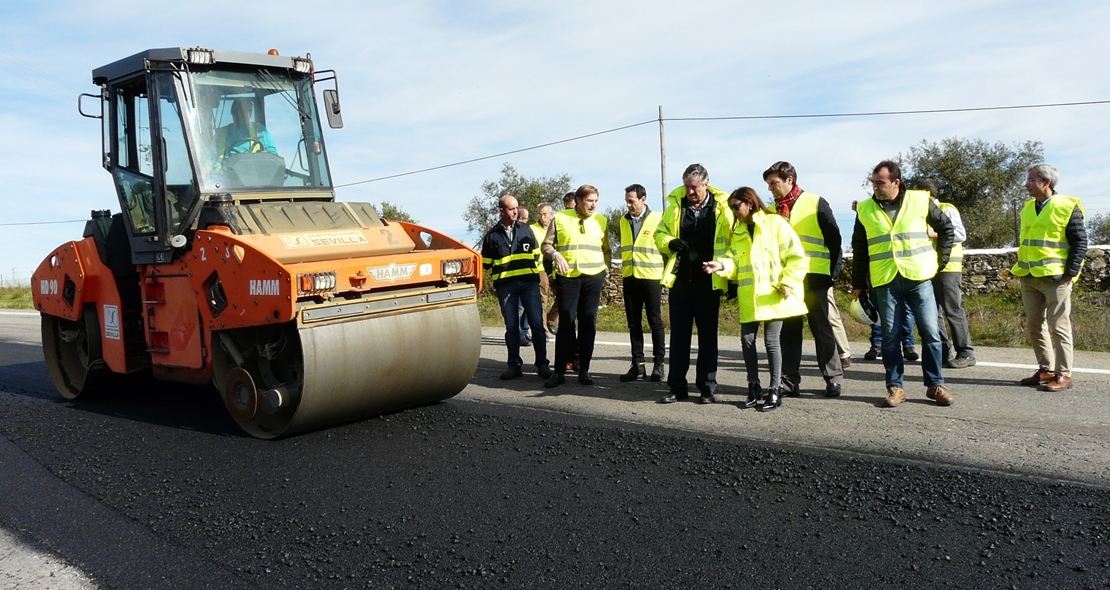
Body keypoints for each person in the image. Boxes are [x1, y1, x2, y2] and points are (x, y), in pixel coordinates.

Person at [851, 160, 956, 407]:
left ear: (896, 182)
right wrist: (859, 282)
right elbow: (860, 248)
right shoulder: (865, 209)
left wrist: (939, 263)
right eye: (873, 183)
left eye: (881, 183)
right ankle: (895, 387)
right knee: (890, 337)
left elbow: (947, 228)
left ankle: (935, 385)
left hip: (919, 278)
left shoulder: (920, 200)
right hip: (885, 280)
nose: (875, 187)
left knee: (931, 332)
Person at [705, 187, 808, 411]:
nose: (734, 211)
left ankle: (774, 389)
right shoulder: (739, 231)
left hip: (773, 295)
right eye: (731, 207)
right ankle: (753, 386)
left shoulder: (775, 224)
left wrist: (788, 282)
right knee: (747, 341)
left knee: (772, 342)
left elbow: (797, 257)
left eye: (736, 206)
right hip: (749, 296)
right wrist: (722, 265)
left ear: (749, 203)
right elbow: (734, 260)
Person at [764, 161, 845, 398]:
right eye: (768, 184)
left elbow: (834, 239)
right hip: (787, 280)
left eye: (773, 183)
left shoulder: (815, 202)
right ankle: (789, 381)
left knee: (821, 328)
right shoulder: (772, 212)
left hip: (815, 276)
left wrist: (833, 272)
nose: (770, 189)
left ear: (790, 180)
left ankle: (833, 378)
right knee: (789, 331)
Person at [654, 164, 734, 404]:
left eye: (695, 187)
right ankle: (677, 387)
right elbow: (659, 234)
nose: (690, 191)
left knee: (708, 338)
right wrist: (670, 242)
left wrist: (723, 266)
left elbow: (732, 242)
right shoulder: (675, 206)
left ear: (706, 185)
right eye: (687, 187)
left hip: (708, 282)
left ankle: (707, 388)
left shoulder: (722, 208)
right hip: (681, 282)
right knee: (679, 337)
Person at [1012, 164, 1087, 392]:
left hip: (1056, 278)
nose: (1026, 184)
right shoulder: (1027, 208)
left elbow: (1080, 242)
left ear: (1046, 182)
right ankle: (1045, 369)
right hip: (1029, 276)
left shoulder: (1067, 206)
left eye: (1031, 180)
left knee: (1059, 326)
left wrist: (1070, 274)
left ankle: (1064, 374)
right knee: (1035, 325)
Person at [542, 185, 610, 387]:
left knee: (588, 325)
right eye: (590, 201)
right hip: (568, 278)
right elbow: (546, 245)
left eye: (596, 201)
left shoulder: (601, 220)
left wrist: (604, 269)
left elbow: (607, 249)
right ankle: (559, 372)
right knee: (566, 324)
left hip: (593, 278)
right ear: (578, 200)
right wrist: (555, 254)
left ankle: (585, 370)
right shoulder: (561, 218)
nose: (593, 205)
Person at [480, 195, 552, 381]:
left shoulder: (526, 230)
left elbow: (537, 255)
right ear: (501, 211)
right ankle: (514, 366)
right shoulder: (492, 236)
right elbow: (486, 264)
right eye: (511, 209)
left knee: (536, 324)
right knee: (511, 327)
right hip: (506, 287)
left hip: (528, 284)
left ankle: (542, 365)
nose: (515, 211)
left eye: (516, 208)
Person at [914, 179, 976, 369]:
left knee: (952, 310)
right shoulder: (919, 212)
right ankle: (942, 351)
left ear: (925, 194)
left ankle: (966, 352)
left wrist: (933, 233)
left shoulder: (947, 208)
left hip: (948, 268)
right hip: (928, 267)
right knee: (933, 313)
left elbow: (960, 234)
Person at [618, 184, 666, 382]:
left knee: (655, 322)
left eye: (632, 201)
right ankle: (637, 365)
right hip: (630, 277)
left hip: (652, 277)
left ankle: (659, 365)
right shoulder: (623, 220)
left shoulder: (658, 218)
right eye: (627, 201)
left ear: (643, 199)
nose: (629, 205)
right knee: (633, 324)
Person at [531, 203, 556, 336]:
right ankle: (543, 328)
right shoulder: (532, 229)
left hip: (557, 267)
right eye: (540, 214)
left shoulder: (557, 226)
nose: (542, 217)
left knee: (563, 297)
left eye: (545, 214)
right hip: (540, 268)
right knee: (543, 298)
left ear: (551, 214)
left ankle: (550, 321)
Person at [516, 206, 533, 347]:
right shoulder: (517, 233)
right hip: (517, 278)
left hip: (530, 277)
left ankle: (523, 332)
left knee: (528, 306)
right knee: (519, 307)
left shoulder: (528, 231)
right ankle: (518, 334)